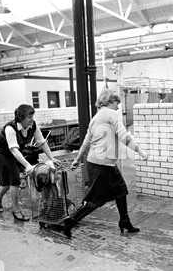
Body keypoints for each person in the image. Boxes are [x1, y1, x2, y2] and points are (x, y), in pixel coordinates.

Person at [63, 89, 148, 238]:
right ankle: (70, 221)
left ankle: (124, 221)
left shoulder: (95, 118)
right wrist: (140, 152)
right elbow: (124, 137)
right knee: (96, 200)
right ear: (109, 102)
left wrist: (77, 159)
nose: (118, 107)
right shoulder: (111, 114)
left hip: (99, 163)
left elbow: (86, 141)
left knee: (121, 190)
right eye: (116, 103)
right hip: (101, 165)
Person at [0, 104, 60, 221]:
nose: (32, 120)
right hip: (2, 154)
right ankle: (16, 210)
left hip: (16, 153)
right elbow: (13, 149)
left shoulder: (33, 125)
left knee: (8, 184)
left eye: (32, 116)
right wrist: (28, 165)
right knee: (14, 180)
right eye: (29, 117)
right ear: (21, 118)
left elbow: (42, 142)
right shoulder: (10, 128)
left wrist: (52, 158)